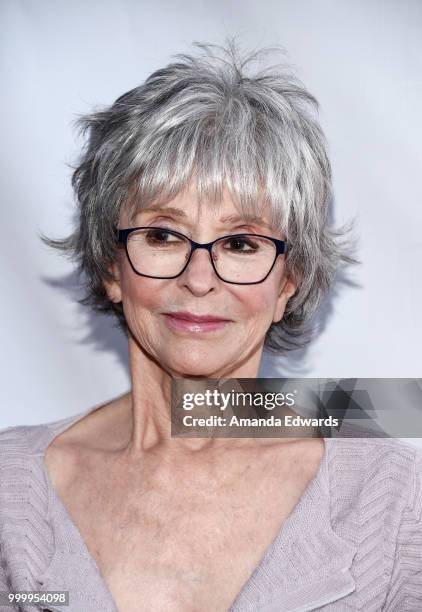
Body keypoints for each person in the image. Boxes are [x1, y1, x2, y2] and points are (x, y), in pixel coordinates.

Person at [1, 42, 421, 612]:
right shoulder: (11, 489)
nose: (199, 279)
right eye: (163, 235)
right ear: (110, 264)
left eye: (242, 243)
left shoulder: (394, 497)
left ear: (288, 284)